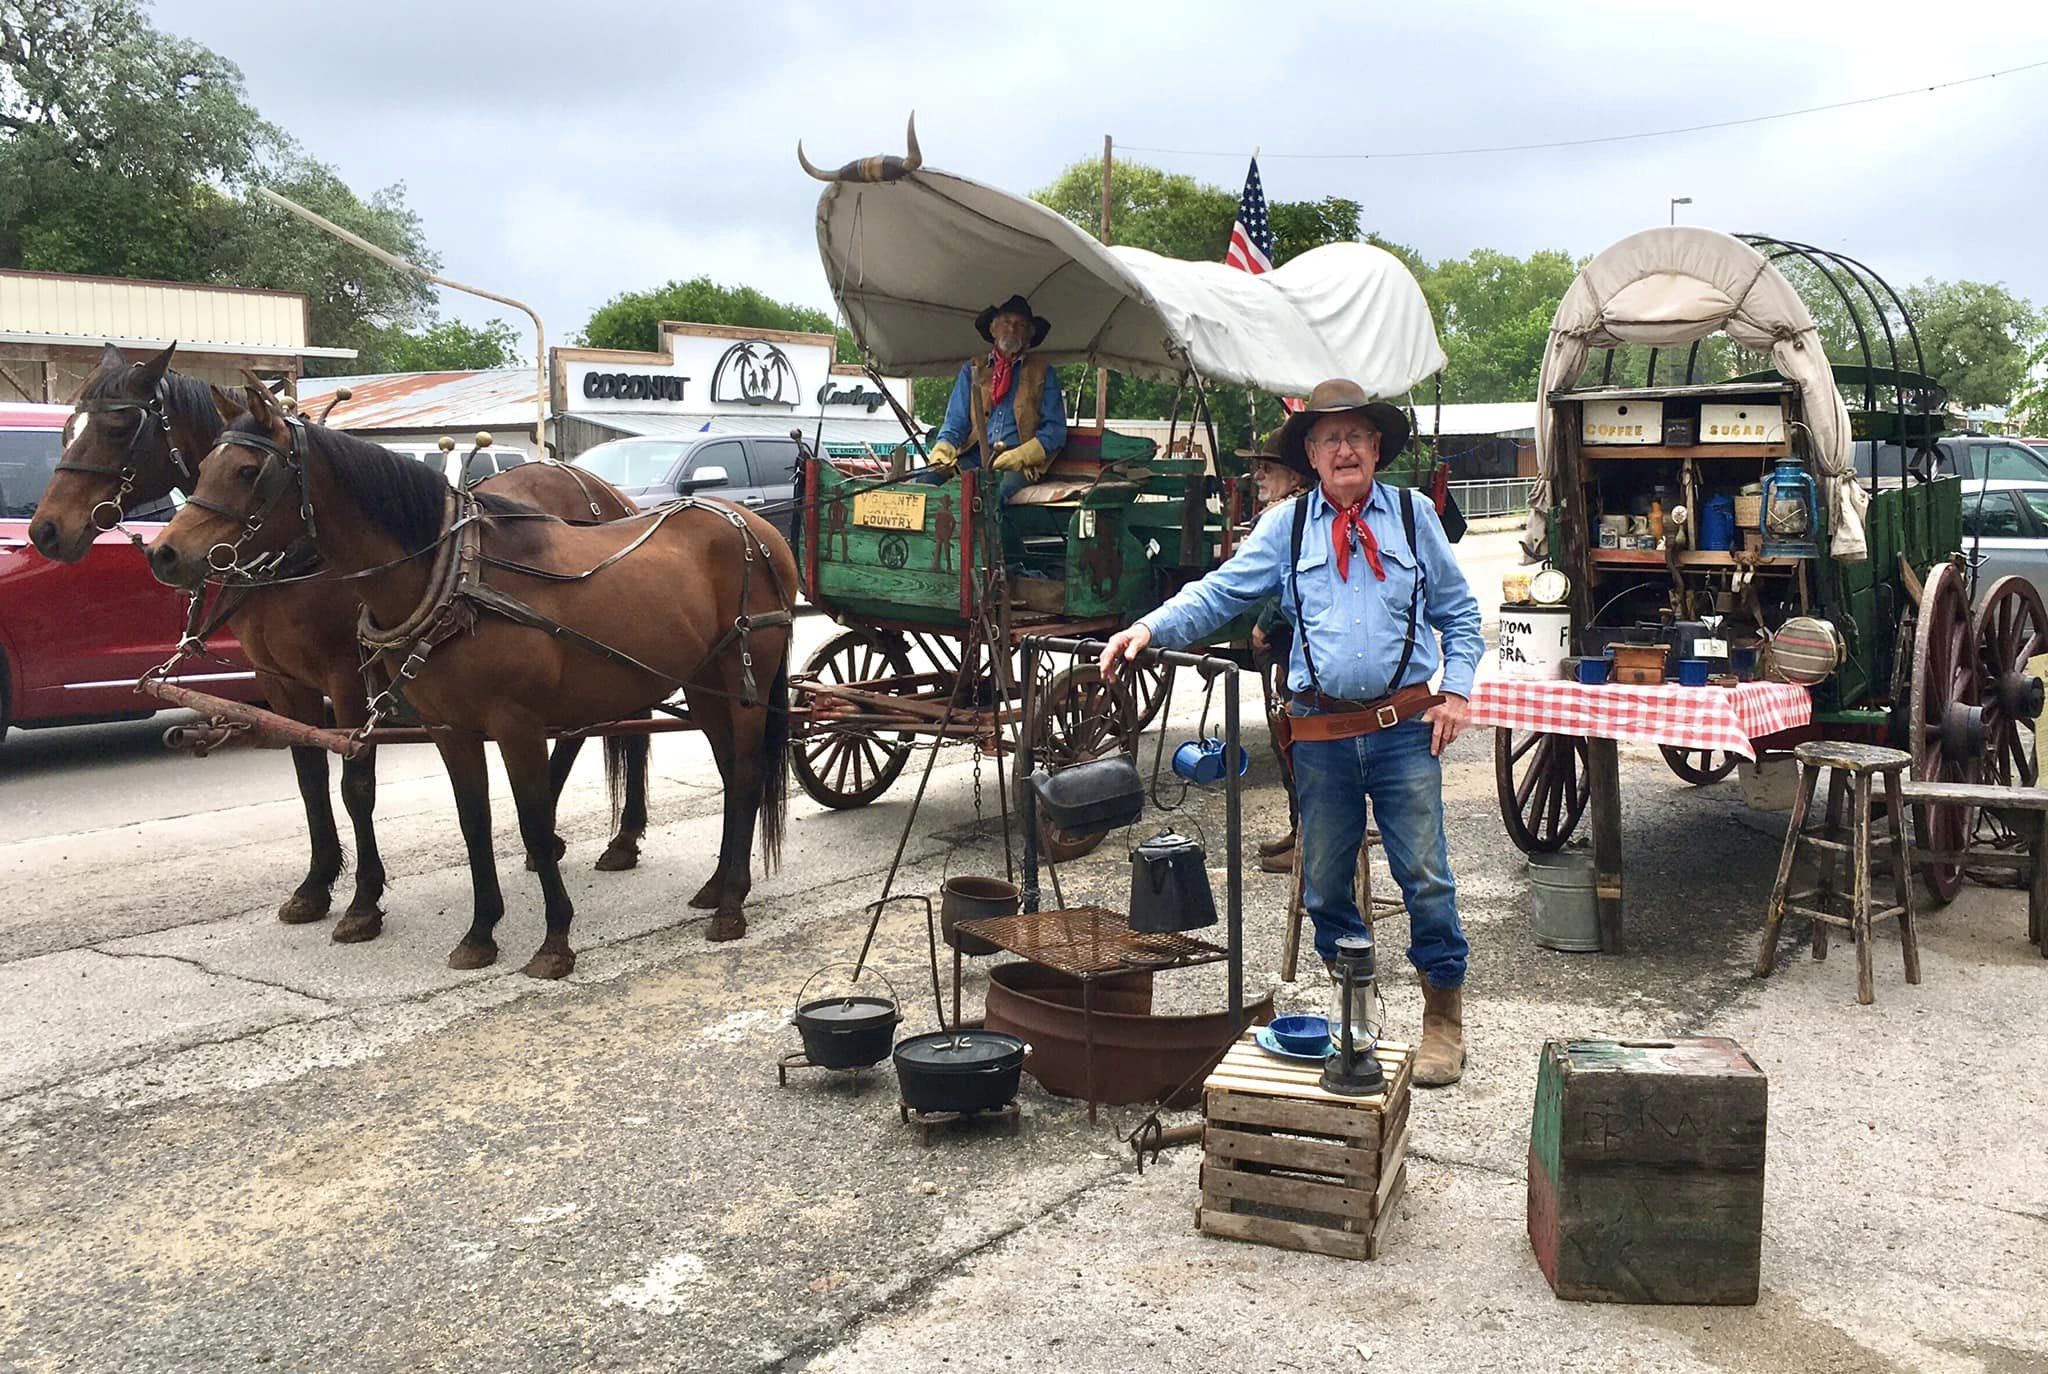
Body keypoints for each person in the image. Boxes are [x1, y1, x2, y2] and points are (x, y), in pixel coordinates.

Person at [1099, 378, 1483, 1087]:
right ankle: (1354, 1013)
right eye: (1330, 438)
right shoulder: (1289, 525)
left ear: (1376, 448)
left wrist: (1456, 691)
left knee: (1426, 878)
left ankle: (1442, 1021)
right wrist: (1148, 627)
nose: (1345, 449)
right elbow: (1220, 591)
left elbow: (1461, 616)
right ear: (1310, 452)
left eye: (1358, 436)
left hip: (1405, 730)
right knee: (1325, 887)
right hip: (1323, 735)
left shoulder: (1412, 516)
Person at [1241, 432, 1313, 873]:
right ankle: (1300, 830)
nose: (1258, 475)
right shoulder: (1280, 511)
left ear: (1295, 473)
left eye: (1268, 467)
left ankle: (1308, 841)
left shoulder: (1294, 513)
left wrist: (1265, 622)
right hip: (1281, 646)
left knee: (1293, 739)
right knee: (1285, 735)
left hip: (1289, 645)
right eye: (1257, 466)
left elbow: (1292, 580)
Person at [922, 294, 1067, 503]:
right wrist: (943, 450)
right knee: (925, 482)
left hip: (1018, 466)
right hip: (973, 457)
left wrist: (1020, 455)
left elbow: (1055, 431)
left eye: (1021, 325)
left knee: (991, 496)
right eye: (1006, 322)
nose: (1012, 330)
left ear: (1029, 336)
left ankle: (987, 537)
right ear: (993, 329)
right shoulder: (973, 369)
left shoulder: (1043, 373)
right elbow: (956, 422)